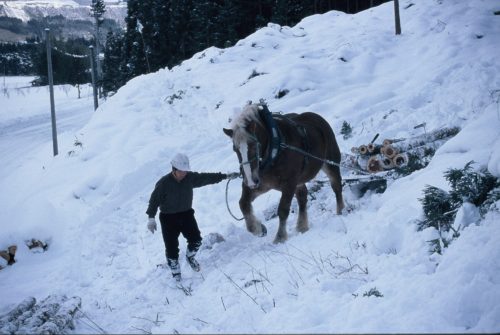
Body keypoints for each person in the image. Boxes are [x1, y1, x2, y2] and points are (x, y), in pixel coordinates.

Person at [146, 153, 239, 281]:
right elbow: (154, 201)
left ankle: (190, 256)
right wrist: (151, 218)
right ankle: (176, 272)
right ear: (174, 169)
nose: (184, 173)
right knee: (172, 248)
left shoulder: (189, 178)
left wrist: (225, 176)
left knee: (196, 240)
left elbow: (206, 178)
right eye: (182, 171)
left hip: (186, 215)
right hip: (168, 218)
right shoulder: (163, 183)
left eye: (186, 171)